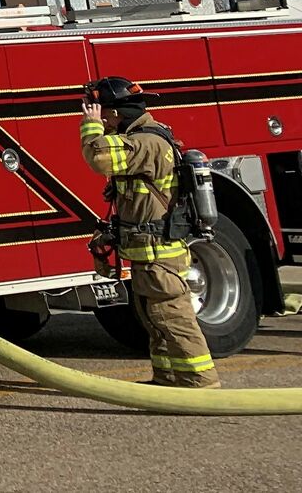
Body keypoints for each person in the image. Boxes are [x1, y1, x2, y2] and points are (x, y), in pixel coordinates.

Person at [80, 76, 218, 388]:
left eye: (102, 112)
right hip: (147, 252)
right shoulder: (141, 138)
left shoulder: (147, 142)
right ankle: (168, 377)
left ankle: (201, 381)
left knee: (173, 317)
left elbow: (98, 157)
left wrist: (89, 126)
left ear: (116, 114)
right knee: (155, 321)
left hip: (161, 254)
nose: (100, 118)